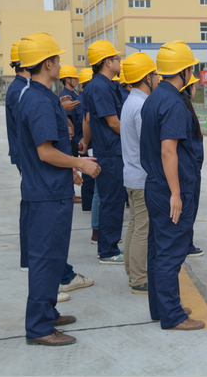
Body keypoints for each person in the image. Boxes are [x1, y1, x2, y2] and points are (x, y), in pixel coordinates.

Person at [16, 32, 101, 346]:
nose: (60, 63)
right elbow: (45, 152)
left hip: (50, 188)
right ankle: (39, 327)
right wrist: (80, 163)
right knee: (45, 259)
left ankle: (47, 313)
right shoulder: (39, 101)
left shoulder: (40, 95)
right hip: (46, 195)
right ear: (47, 63)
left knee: (52, 259)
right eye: (57, 58)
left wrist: (70, 168)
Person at [140, 40, 205, 330]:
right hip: (170, 188)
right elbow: (168, 151)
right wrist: (176, 194)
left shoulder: (154, 97)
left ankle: (162, 307)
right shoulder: (174, 102)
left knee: (158, 250)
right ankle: (173, 315)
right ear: (185, 70)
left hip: (155, 185)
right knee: (170, 253)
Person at [78, 40, 125, 265]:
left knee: (111, 199)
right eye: (117, 58)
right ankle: (108, 250)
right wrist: (138, 138)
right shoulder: (100, 87)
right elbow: (114, 123)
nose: (119, 62)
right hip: (110, 151)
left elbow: (89, 120)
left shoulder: (101, 85)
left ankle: (108, 246)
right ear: (107, 62)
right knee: (112, 200)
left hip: (109, 149)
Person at [120, 53, 159, 294]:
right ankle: (138, 278)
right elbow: (149, 143)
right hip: (142, 177)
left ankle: (132, 273)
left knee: (134, 226)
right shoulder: (142, 105)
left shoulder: (130, 101)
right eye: (155, 74)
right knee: (142, 230)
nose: (157, 78)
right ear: (146, 77)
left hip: (131, 175)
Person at [4, 41, 31, 273]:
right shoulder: (19, 90)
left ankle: (30, 258)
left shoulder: (20, 88)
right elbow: (25, 124)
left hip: (24, 154)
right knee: (31, 207)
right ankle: (29, 259)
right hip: (26, 156)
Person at [180, 74, 205, 258]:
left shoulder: (183, 107)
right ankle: (186, 244)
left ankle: (186, 243)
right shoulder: (185, 111)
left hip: (190, 168)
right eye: (194, 86)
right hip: (190, 170)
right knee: (189, 208)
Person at [59, 65, 82, 204]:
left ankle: (72, 194)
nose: (77, 80)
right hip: (72, 138)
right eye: (74, 78)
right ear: (67, 79)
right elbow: (66, 117)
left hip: (76, 136)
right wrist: (72, 131)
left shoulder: (73, 94)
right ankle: (71, 194)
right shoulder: (66, 96)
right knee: (70, 166)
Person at [76, 68, 95, 215]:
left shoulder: (82, 97)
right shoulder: (85, 98)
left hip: (84, 138)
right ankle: (87, 206)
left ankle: (88, 205)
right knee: (88, 175)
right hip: (85, 140)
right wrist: (86, 141)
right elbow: (86, 121)